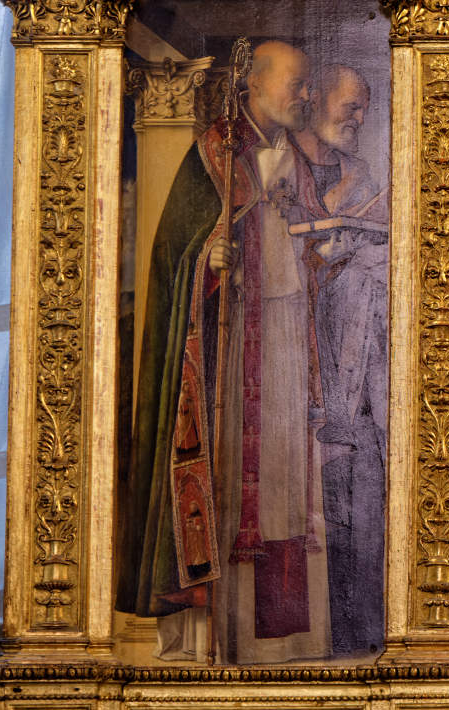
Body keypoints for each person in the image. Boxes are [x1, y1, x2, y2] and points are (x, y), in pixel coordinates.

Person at [123, 40, 336, 663]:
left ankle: (281, 640)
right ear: (256, 84)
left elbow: (302, 238)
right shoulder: (216, 150)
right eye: (296, 84)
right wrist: (205, 262)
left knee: (284, 481)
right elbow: (176, 252)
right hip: (234, 348)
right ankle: (218, 638)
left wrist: (322, 251)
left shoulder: (297, 157)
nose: (305, 96)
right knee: (235, 479)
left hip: (285, 339)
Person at [293, 63, 389, 656]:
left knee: (363, 505)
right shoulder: (280, 166)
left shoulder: (362, 174)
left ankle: (361, 632)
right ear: (316, 98)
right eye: (350, 106)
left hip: (360, 387)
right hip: (305, 364)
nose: (358, 118)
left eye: (365, 109)